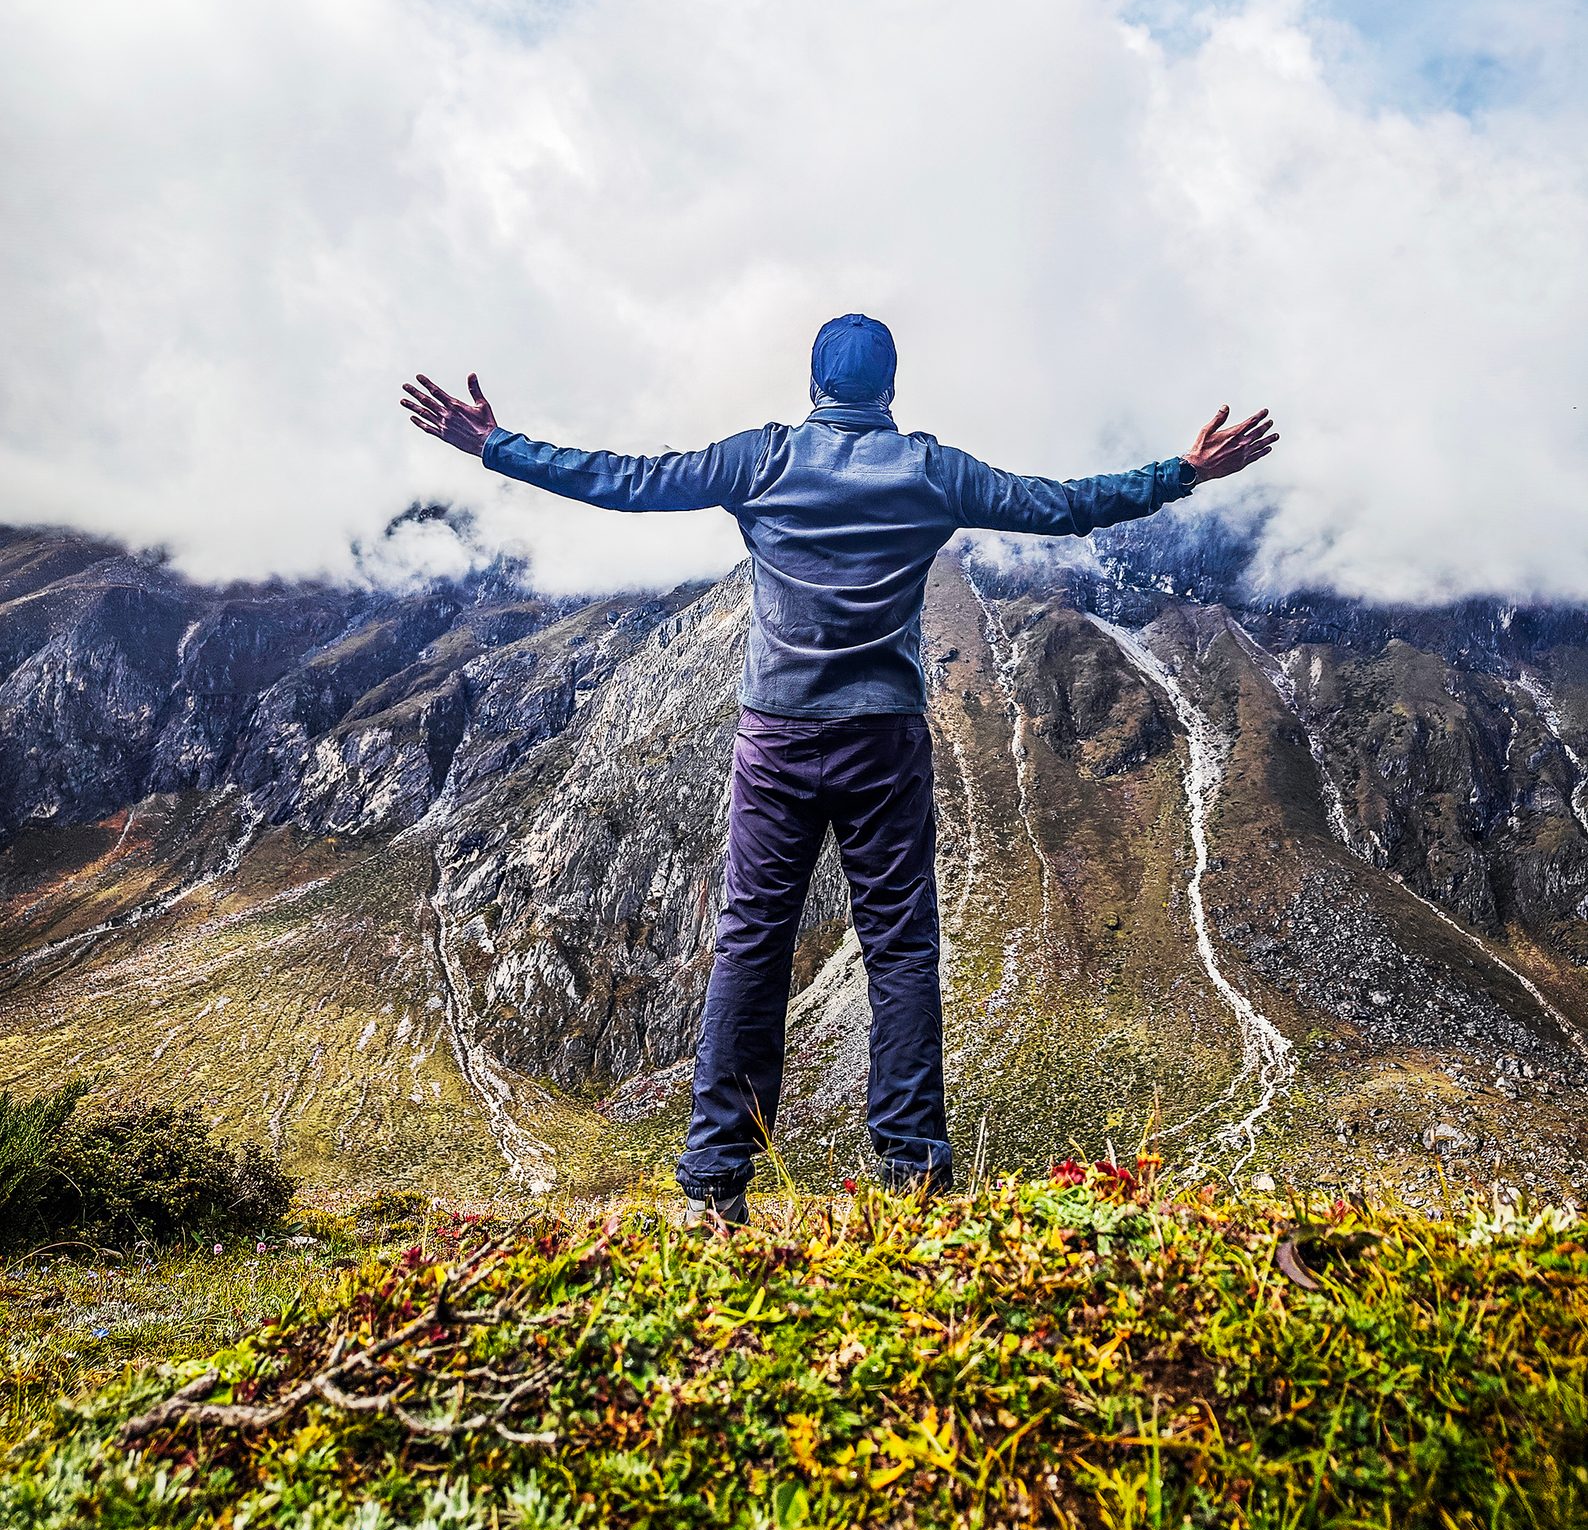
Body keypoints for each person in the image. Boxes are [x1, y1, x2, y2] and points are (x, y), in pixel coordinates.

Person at [402, 315, 1276, 1223]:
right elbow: (1060, 503)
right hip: (883, 743)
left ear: (815, 384)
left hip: (776, 738)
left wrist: (495, 446)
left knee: (752, 945)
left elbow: (625, 482)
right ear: (889, 388)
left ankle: (714, 1184)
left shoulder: (762, 460)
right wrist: (1184, 473)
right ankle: (911, 1176)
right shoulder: (930, 472)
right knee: (901, 950)